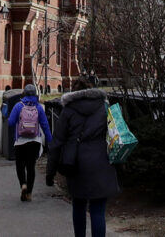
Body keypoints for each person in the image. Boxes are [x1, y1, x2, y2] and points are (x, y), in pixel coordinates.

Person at [46, 77, 119, 237]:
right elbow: (115, 134)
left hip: (76, 164)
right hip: (101, 162)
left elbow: (57, 142)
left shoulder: (68, 110)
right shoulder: (104, 106)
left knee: (78, 206)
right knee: (98, 210)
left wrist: (50, 172)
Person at [3, 83, 52, 201]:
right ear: (35, 94)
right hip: (34, 141)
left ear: (24, 94)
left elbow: (10, 123)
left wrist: (7, 116)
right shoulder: (39, 107)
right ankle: (29, 193)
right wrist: (51, 141)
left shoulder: (18, 106)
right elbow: (45, 125)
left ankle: (23, 185)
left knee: (20, 165)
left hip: (20, 141)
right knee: (30, 167)